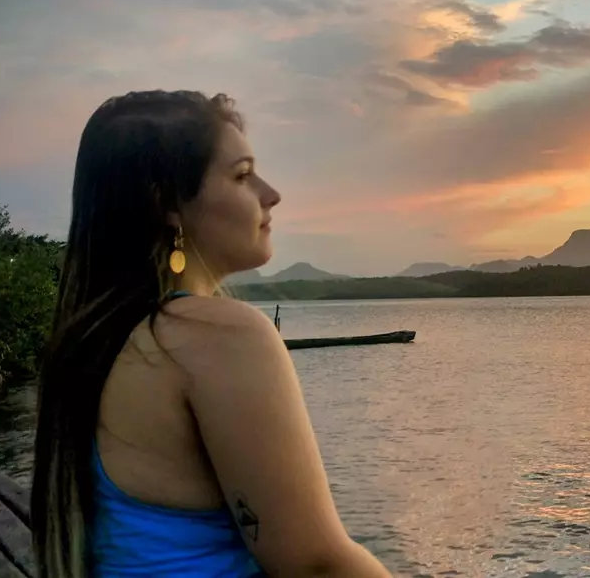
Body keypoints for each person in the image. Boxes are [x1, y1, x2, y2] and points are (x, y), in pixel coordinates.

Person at [31, 91, 393, 577]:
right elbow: (316, 565)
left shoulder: (96, 341)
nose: (271, 194)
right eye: (243, 175)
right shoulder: (216, 338)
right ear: (170, 203)